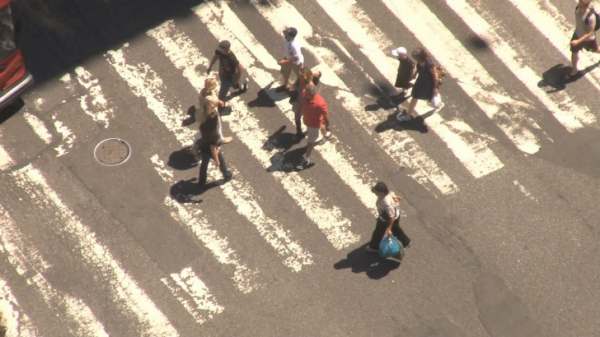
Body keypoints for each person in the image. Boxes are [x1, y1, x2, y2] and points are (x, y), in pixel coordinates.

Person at [396, 47, 442, 122]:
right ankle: (408, 115)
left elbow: (435, 77)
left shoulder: (429, 64)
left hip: (427, 84)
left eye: (415, 57)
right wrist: (413, 75)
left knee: (428, 99)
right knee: (415, 97)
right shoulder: (420, 62)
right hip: (420, 82)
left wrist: (435, 89)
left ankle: (438, 104)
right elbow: (418, 68)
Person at [366, 182, 411, 253]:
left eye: (376, 191)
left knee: (378, 232)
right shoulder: (389, 193)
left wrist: (388, 228)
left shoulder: (386, 203)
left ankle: (374, 247)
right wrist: (396, 199)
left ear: (381, 192)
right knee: (396, 229)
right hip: (395, 215)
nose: (375, 193)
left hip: (388, 219)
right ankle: (406, 242)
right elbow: (396, 197)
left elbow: (391, 217)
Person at [297, 82, 330, 170]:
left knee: (310, 142)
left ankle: (306, 159)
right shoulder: (305, 96)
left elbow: (325, 115)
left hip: (313, 125)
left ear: (311, 95)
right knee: (320, 126)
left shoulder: (320, 103)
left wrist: (327, 123)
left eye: (306, 93)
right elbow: (301, 105)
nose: (304, 94)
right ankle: (326, 135)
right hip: (308, 121)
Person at [569, 0, 600, 77]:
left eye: (581, 2)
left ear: (585, 4)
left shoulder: (590, 17)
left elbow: (590, 33)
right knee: (574, 52)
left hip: (588, 40)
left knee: (596, 50)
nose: (579, 2)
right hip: (577, 35)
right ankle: (574, 70)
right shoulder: (578, 8)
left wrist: (578, 41)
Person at [197, 77, 232, 144]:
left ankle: (204, 138)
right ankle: (220, 139)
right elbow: (219, 103)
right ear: (212, 87)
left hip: (202, 113)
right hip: (211, 114)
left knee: (204, 127)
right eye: (215, 85)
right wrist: (225, 104)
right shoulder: (210, 98)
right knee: (217, 127)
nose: (216, 85)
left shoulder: (203, 91)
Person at [292, 67, 323, 138]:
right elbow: (294, 87)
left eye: (302, 76)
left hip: (304, 105)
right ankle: (299, 131)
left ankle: (306, 130)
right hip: (299, 103)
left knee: (304, 118)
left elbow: (312, 97)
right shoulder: (301, 81)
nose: (300, 76)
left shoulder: (310, 86)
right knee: (298, 117)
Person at [278, 27, 304, 92]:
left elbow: (296, 57)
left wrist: (284, 61)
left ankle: (298, 88)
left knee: (300, 76)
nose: (285, 35)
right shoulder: (287, 39)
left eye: (287, 34)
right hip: (288, 58)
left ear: (291, 36)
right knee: (285, 73)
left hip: (296, 63)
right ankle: (285, 85)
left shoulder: (294, 46)